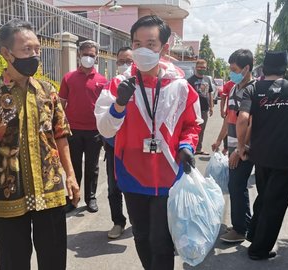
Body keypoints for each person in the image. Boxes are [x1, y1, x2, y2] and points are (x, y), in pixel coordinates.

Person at [0, 19, 80, 270]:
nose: (35, 55)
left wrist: (70, 176)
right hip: (8, 195)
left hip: (50, 192)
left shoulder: (47, 91)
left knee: (54, 261)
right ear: (6, 53)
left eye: (37, 49)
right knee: (13, 262)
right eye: (27, 50)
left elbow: (60, 136)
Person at [95, 15, 201, 269]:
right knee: (141, 236)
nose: (142, 49)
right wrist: (119, 104)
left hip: (168, 174)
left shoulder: (180, 86)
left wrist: (187, 146)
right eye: (137, 43)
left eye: (150, 44)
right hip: (132, 174)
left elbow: (192, 124)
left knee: (162, 241)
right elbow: (105, 129)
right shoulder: (119, 84)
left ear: (164, 48)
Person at [242, 51, 288, 260]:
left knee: (265, 196)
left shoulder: (254, 89)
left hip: (261, 154)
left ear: (264, 69)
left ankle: (254, 233)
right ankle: (259, 249)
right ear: (285, 69)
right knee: (275, 204)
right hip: (285, 157)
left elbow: (244, 119)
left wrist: (242, 146)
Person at [211, 49, 255, 243]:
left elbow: (250, 123)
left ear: (247, 68)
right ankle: (244, 223)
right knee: (236, 185)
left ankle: (239, 229)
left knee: (236, 185)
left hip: (244, 148)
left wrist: (239, 149)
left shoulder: (253, 90)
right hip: (233, 145)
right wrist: (221, 140)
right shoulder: (236, 87)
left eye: (234, 69)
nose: (231, 72)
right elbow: (229, 119)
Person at [59, 40, 108, 213]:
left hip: (94, 131)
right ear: (79, 55)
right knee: (73, 166)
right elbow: (61, 105)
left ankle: (91, 198)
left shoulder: (102, 81)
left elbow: (106, 107)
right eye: (85, 54)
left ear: (96, 57)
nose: (88, 58)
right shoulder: (69, 78)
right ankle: (73, 198)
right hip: (73, 130)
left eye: (92, 55)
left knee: (92, 166)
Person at [103, 46, 133, 239]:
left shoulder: (143, 88)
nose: (124, 65)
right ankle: (118, 222)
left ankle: (138, 221)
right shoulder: (111, 86)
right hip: (113, 145)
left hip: (134, 147)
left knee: (133, 185)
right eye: (121, 61)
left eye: (128, 61)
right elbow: (103, 116)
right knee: (114, 186)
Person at [187, 59, 214, 155]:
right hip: (193, 110)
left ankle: (199, 148)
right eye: (200, 67)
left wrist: (211, 107)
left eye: (204, 67)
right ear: (196, 67)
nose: (202, 69)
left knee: (201, 130)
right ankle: (190, 148)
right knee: (192, 129)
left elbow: (210, 93)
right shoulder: (190, 80)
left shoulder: (207, 79)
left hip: (204, 109)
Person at [220, 80, 236, 153]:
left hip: (241, 114)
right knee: (226, 130)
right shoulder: (228, 84)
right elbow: (223, 98)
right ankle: (226, 147)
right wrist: (222, 110)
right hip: (229, 113)